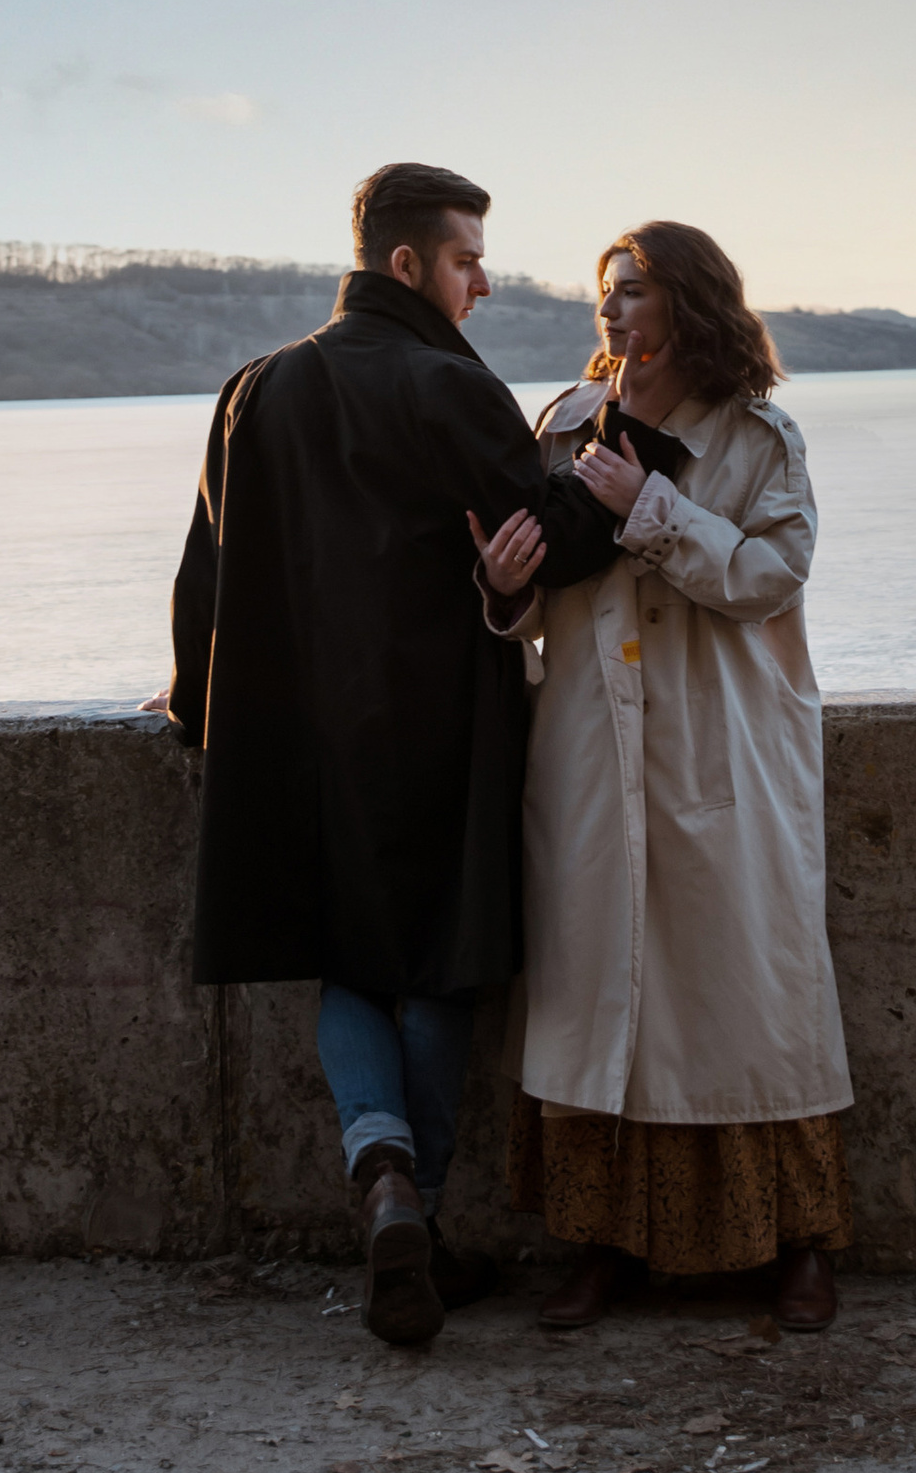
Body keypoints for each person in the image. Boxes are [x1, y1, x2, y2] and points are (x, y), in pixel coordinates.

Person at [167, 163, 615, 1348]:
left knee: (348, 964)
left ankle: (382, 1182)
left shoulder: (253, 388)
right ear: (406, 264)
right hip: (436, 727)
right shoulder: (447, 385)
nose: (483, 281)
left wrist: (194, 708)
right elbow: (543, 541)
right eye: (468, 258)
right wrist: (621, 482)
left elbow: (205, 574)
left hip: (296, 738)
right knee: (442, 962)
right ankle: (412, 1202)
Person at [479, 223, 852, 1335]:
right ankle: (600, 1246)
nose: (611, 312)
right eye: (607, 293)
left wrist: (650, 509)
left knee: (747, 988)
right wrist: (502, 591)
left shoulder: (756, 439)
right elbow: (538, 606)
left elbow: (772, 575)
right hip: (592, 745)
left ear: (690, 305)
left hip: (720, 742)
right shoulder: (563, 429)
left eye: (632, 292)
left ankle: (798, 1243)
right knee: (601, 989)